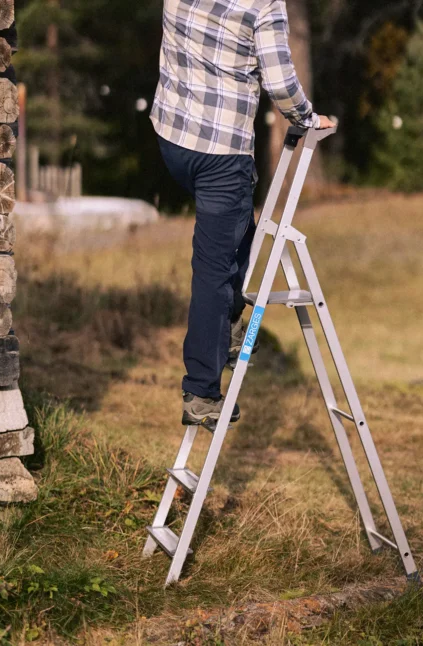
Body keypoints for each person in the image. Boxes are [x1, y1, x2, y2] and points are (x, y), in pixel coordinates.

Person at [151, 0, 335, 427]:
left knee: (236, 235)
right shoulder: (264, 3)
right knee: (214, 270)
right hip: (220, 153)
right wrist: (308, 118)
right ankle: (201, 392)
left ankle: (229, 327)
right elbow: (281, 83)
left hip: (172, 138)